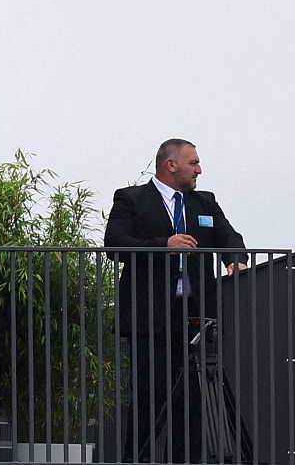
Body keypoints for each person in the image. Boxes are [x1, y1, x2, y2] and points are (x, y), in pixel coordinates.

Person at [104, 138, 248, 463]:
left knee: (194, 400)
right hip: (149, 318)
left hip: (195, 317)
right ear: (171, 165)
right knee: (148, 398)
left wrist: (235, 258)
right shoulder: (131, 198)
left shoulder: (204, 202)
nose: (200, 169)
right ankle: (136, 459)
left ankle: (187, 461)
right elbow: (114, 244)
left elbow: (228, 235)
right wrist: (163, 245)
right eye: (193, 163)